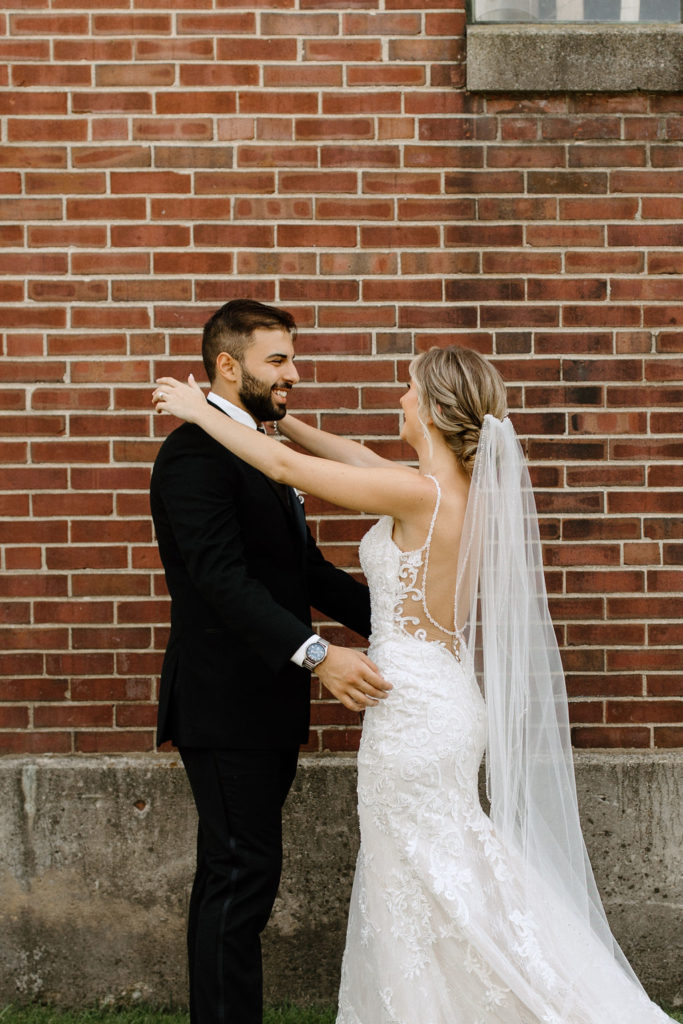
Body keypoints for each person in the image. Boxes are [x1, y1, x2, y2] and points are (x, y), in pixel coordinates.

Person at [152, 344, 673, 1024]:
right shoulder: (449, 489)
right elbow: (347, 454)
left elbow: (282, 468)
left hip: (414, 715)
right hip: (447, 698)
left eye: (406, 390)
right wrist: (273, 420)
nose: (398, 400)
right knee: (446, 869)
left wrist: (199, 410)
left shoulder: (414, 491)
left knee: (417, 874)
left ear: (429, 407)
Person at [149, 299, 391, 1024]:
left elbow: (304, 570)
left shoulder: (254, 444)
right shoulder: (194, 455)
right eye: (277, 359)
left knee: (242, 875)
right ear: (229, 365)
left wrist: (406, 630)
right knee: (237, 878)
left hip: (265, 706)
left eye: (292, 357)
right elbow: (222, 581)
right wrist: (319, 656)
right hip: (224, 708)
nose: (293, 373)